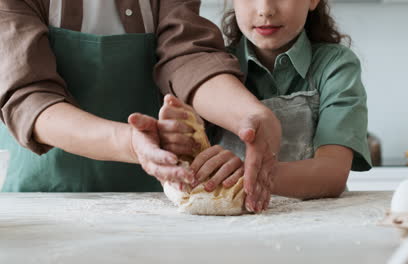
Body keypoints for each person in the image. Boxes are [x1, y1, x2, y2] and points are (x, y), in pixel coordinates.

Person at [0, 0, 281, 213]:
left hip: (156, 200)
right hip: (47, 202)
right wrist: (132, 144)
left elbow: (188, 54)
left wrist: (248, 113)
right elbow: (28, 94)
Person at [157, 0, 372, 211]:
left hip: (314, 223)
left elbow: (332, 173)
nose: (265, 9)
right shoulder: (209, 74)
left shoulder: (336, 66)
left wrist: (249, 174)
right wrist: (176, 142)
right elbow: (189, 164)